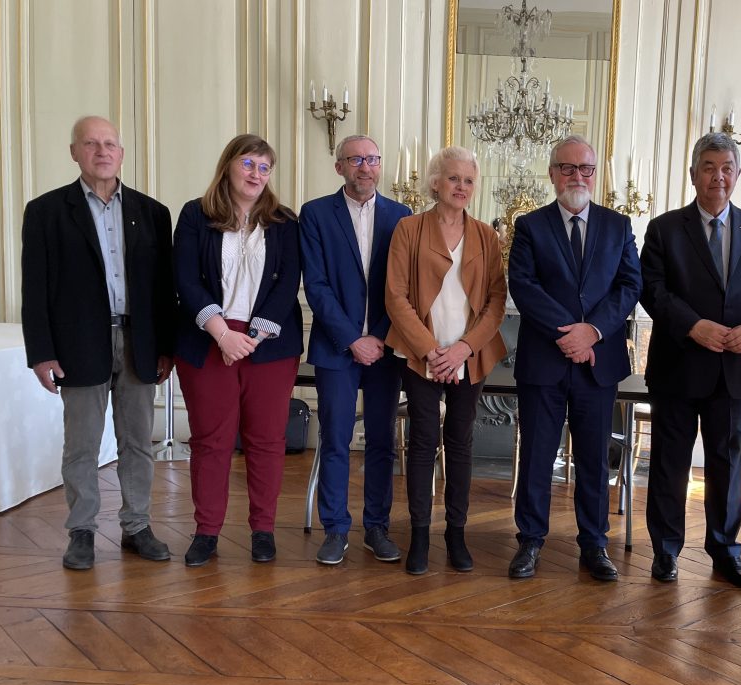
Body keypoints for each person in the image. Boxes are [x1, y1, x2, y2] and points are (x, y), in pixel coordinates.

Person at [21, 115, 176, 570]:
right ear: (75, 152)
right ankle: (82, 532)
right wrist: (41, 352)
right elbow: (36, 288)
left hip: (140, 341)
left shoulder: (152, 213)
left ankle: (137, 526)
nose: (102, 151)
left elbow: (163, 289)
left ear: (122, 154)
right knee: (82, 446)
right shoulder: (46, 212)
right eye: (91, 144)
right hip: (77, 345)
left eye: (110, 144)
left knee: (137, 443)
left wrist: (166, 344)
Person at [639, 132, 741, 587]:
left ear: (737, 175)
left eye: (726, 168)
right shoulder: (664, 228)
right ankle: (666, 552)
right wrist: (692, 325)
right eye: (708, 167)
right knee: (670, 464)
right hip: (679, 365)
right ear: (693, 174)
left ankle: (725, 551)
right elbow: (652, 289)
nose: (717, 177)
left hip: (734, 369)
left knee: (726, 462)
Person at [507, 134, 642, 581]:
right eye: (567, 168)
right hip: (545, 359)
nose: (577, 176)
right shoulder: (529, 225)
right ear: (552, 174)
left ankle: (594, 543)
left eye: (585, 169)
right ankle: (529, 541)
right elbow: (524, 286)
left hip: (597, 363)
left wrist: (593, 332)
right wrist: (570, 333)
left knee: (593, 458)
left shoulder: (618, 226)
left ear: (594, 175)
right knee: (537, 455)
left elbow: (628, 286)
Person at [172, 134, 303, 566]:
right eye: (249, 164)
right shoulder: (196, 214)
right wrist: (222, 334)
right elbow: (186, 280)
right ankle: (206, 531)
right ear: (228, 165)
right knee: (212, 441)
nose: (256, 175)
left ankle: (262, 530)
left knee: (266, 441)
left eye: (265, 168)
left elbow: (287, 286)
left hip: (269, 345)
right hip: (207, 341)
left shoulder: (284, 221)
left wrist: (251, 337)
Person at [384, 146, 507, 575]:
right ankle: (420, 534)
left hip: (468, 356)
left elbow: (496, 302)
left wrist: (462, 349)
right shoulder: (408, 228)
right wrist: (432, 350)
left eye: (469, 180)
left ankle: (456, 534)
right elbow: (395, 295)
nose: (461, 187)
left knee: (459, 444)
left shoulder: (487, 236)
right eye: (453, 178)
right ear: (436, 182)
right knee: (421, 444)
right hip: (422, 355)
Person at [300, 135, 411, 566]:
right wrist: (353, 339)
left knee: (383, 441)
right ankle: (335, 529)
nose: (365, 167)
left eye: (372, 159)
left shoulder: (402, 217)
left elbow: (401, 288)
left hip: (386, 349)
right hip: (336, 349)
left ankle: (376, 528)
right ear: (340, 166)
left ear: (379, 166)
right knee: (335, 441)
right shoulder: (315, 215)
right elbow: (317, 285)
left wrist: (380, 337)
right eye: (356, 160)